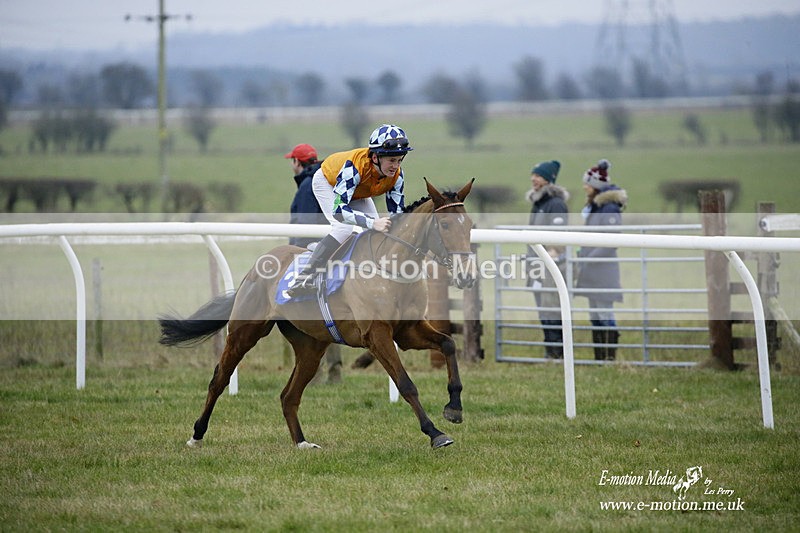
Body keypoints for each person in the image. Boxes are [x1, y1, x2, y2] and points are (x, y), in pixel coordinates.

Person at [287, 124, 411, 295]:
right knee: (343, 228)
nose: (395, 166)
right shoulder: (353, 168)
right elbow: (339, 212)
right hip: (327, 183)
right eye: (391, 160)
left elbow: (397, 215)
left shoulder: (397, 176)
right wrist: (373, 222)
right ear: (375, 157)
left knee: (382, 231)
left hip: (358, 189)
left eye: (399, 160)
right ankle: (305, 276)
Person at [285, 143, 342, 383]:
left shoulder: (308, 187)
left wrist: (293, 253)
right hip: (325, 250)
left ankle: (320, 373)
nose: (292, 165)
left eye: (292, 161)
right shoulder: (319, 181)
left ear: (298, 162)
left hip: (312, 254)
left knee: (311, 311)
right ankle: (330, 372)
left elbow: (305, 227)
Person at [575, 159, 627, 361]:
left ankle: (609, 358)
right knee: (596, 315)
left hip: (603, 273)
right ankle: (601, 358)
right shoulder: (597, 207)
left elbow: (610, 241)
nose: (585, 187)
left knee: (604, 314)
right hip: (593, 273)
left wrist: (587, 260)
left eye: (587, 183)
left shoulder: (609, 209)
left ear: (596, 185)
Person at [525, 160, 570, 359]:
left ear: (549, 179)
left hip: (551, 267)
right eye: (533, 175)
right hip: (537, 265)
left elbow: (558, 239)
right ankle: (550, 351)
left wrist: (547, 259)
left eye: (539, 175)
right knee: (543, 309)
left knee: (552, 309)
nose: (534, 178)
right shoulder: (539, 203)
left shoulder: (556, 204)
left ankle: (558, 353)